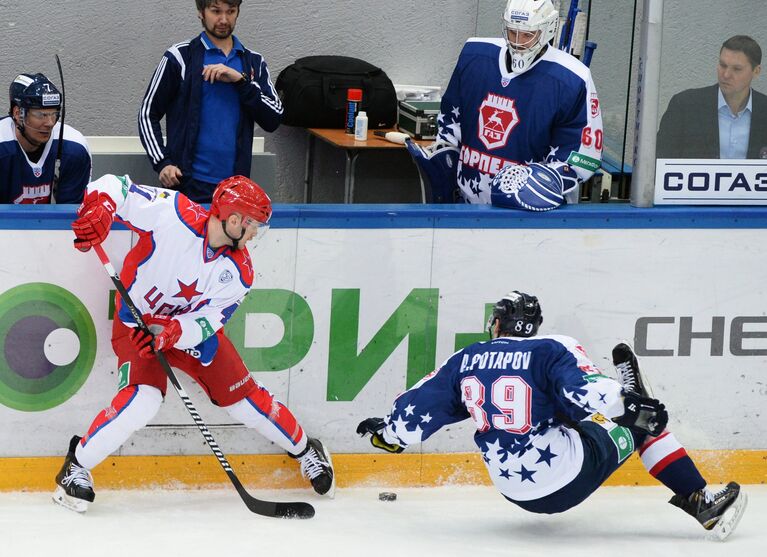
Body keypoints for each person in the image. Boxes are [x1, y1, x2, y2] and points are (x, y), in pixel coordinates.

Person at [357, 291, 748, 540]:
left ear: (500, 322)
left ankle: (625, 401)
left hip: (513, 489)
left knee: (552, 406)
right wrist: (631, 407)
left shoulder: (466, 360)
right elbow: (585, 390)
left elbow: (414, 416)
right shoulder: (551, 347)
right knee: (639, 426)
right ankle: (701, 500)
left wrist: (387, 433)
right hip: (564, 475)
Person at [52, 174, 333, 513]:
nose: (256, 232)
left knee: (244, 401)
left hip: (186, 333)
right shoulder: (173, 214)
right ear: (233, 219)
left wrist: (172, 331)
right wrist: (101, 208)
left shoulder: (240, 272)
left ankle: (306, 450)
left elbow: (212, 320)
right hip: (137, 327)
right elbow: (115, 186)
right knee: (143, 401)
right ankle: (76, 465)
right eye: (253, 224)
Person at [407, 0, 602, 210]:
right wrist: (444, 152)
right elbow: (452, 118)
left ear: (548, 30)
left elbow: (583, 155)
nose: (518, 42)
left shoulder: (572, 77)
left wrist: (548, 180)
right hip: (466, 203)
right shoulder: (475, 56)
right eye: (512, 32)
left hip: (530, 214)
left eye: (528, 35)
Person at [138, 0, 282, 203]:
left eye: (230, 11)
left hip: (235, 188)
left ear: (238, 12)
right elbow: (147, 112)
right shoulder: (180, 56)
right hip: (187, 185)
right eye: (216, 11)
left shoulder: (253, 62)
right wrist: (162, 162)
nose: (224, 19)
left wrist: (241, 81)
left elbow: (273, 119)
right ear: (201, 12)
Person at [657, 35, 767, 159]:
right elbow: (661, 159)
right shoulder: (685, 106)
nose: (726, 75)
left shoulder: (764, 110)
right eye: (723, 65)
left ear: (756, 71)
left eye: (737, 69)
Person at [0, 73, 91, 204]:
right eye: (40, 114)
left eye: (54, 114)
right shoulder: (3, 145)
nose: (49, 123)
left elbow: (71, 215)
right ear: (17, 113)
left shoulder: (74, 148)